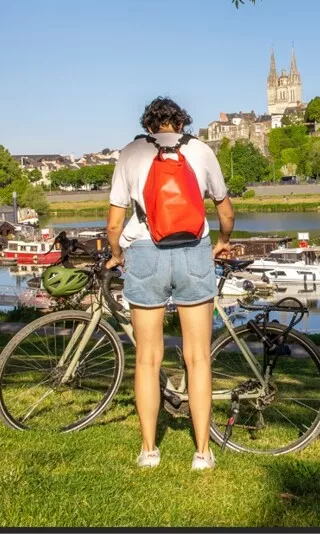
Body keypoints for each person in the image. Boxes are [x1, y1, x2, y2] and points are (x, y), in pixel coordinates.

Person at [105, 97, 234, 471]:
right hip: (194, 251)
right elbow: (224, 211)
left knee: (147, 358)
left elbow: (114, 224)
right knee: (198, 358)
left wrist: (116, 253)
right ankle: (202, 453)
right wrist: (223, 241)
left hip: (145, 252)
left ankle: (149, 450)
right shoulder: (201, 150)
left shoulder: (130, 153)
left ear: (148, 125)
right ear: (181, 123)